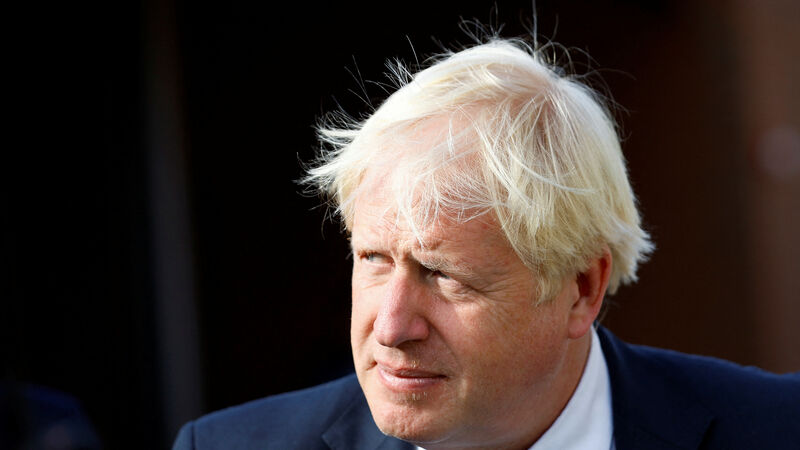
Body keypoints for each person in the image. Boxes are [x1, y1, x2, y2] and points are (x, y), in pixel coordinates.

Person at [172, 37, 800, 450]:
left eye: (444, 275)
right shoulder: (227, 446)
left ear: (582, 288)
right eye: (374, 260)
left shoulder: (776, 429)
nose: (390, 327)